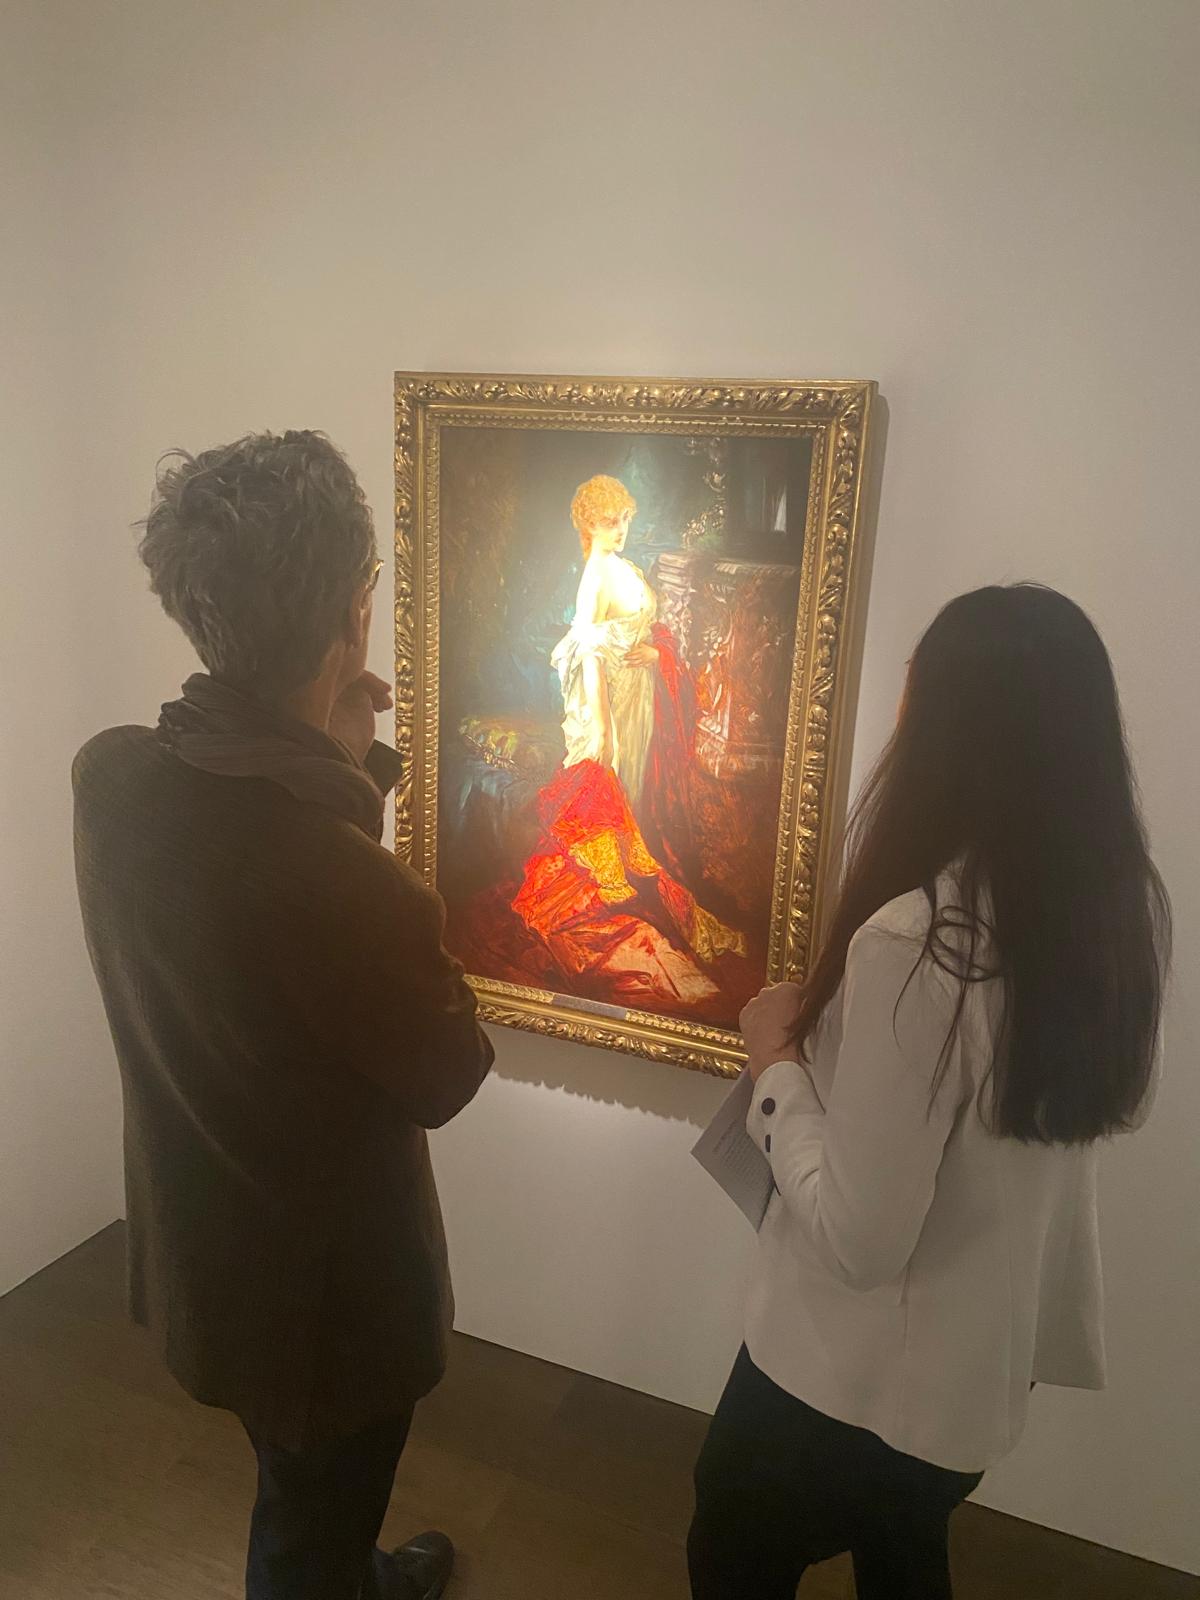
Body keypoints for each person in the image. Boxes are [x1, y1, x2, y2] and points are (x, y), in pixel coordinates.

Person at [72, 430, 494, 1600]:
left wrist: (334, 768)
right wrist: (346, 789)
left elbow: (255, 882)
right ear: (356, 613)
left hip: (207, 1254)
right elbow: (450, 1068)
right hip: (333, 1318)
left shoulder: (106, 779)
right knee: (307, 1529)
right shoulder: (343, 877)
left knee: (301, 1492)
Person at [688, 584, 1170, 1600]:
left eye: (915, 690)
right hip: (971, 1385)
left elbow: (859, 1239)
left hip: (845, 1383)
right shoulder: (1102, 918)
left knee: (731, 1554)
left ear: (950, 733)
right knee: (904, 1551)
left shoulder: (919, 941)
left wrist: (775, 1065)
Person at [512, 474, 750, 1021]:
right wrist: (602, 728)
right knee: (615, 795)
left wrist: (656, 656)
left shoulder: (622, 567)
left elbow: (645, 635)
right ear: (587, 524)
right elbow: (589, 657)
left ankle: (643, 880)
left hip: (641, 698)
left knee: (640, 798)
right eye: (609, 521)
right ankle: (624, 894)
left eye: (624, 519)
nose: (620, 529)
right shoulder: (595, 577)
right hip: (614, 705)